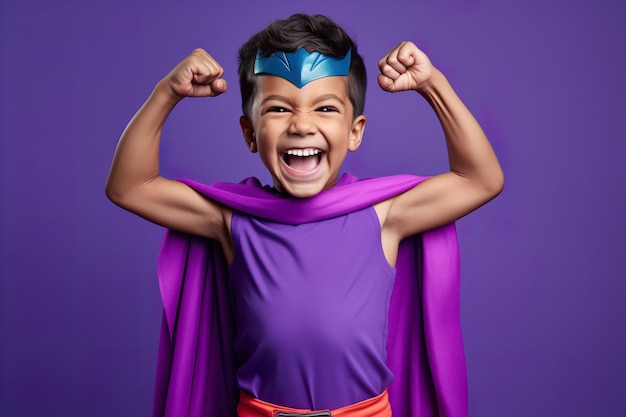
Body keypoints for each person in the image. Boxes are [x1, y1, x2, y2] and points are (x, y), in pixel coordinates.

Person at [106, 13, 503, 417]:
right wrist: (166, 93)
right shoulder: (232, 221)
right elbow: (129, 186)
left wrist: (432, 85)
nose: (301, 124)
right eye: (278, 109)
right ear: (249, 132)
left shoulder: (383, 216)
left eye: (326, 108)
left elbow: (480, 179)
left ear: (355, 130)